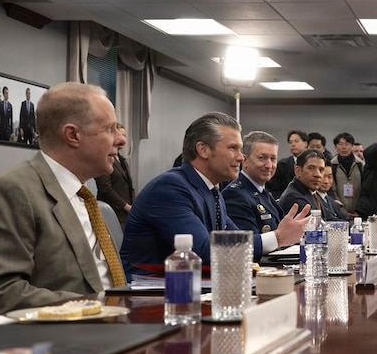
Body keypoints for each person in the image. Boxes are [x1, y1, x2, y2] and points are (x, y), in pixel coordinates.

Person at [0, 83, 127, 315]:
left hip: (116, 323)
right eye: (110, 129)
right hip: (70, 331)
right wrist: (97, 307)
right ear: (72, 135)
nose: (121, 140)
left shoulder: (85, 196)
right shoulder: (13, 190)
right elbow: (0, 295)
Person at [121, 112, 310, 268]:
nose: (241, 157)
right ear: (203, 150)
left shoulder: (212, 190)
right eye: (233, 148)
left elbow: (237, 240)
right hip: (148, 293)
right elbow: (203, 251)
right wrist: (278, 237)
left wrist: (279, 237)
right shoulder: (169, 188)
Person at [223, 131, 285, 234]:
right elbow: (248, 241)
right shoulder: (234, 195)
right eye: (262, 158)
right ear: (245, 160)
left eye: (273, 159)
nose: (269, 165)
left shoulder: (261, 191)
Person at [95, 124, 135, 226]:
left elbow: (129, 187)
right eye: (119, 135)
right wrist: (126, 206)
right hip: (111, 213)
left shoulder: (123, 160)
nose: (122, 139)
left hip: (126, 215)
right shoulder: (104, 159)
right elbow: (105, 189)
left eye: (124, 135)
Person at [278, 149, 327, 216]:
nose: (318, 174)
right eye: (311, 168)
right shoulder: (294, 198)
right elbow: (315, 222)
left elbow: (329, 217)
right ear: (298, 171)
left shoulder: (314, 193)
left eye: (321, 170)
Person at [330, 132, 363, 217]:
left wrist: (360, 210)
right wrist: (342, 212)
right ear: (335, 147)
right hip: (339, 213)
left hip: (359, 212)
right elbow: (331, 191)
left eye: (347, 144)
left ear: (352, 146)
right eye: (340, 144)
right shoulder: (332, 165)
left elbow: (365, 190)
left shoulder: (361, 165)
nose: (344, 147)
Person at [267, 129, 307, 199]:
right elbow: (275, 190)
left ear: (305, 143)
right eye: (290, 142)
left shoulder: (314, 164)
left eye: (296, 141)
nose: (293, 144)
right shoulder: (282, 165)